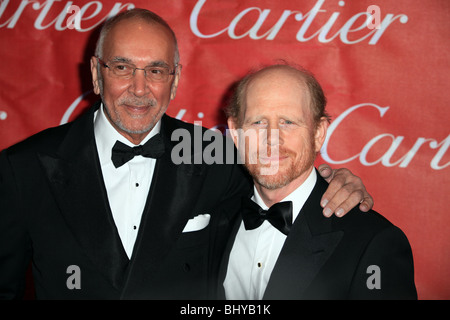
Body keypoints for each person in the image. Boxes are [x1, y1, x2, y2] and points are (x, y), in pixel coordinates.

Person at [0, 9, 373, 299]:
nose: (140, 87)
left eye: (157, 70)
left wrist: (332, 180)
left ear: (175, 80)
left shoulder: (216, 153)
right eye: (122, 67)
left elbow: (280, 182)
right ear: (97, 74)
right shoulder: (24, 169)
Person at [220, 63, 417, 300]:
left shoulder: (373, 242)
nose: (271, 138)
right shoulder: (216, 214)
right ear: (235, 132)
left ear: (318, 133)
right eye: (258, 122)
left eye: (288, 122)